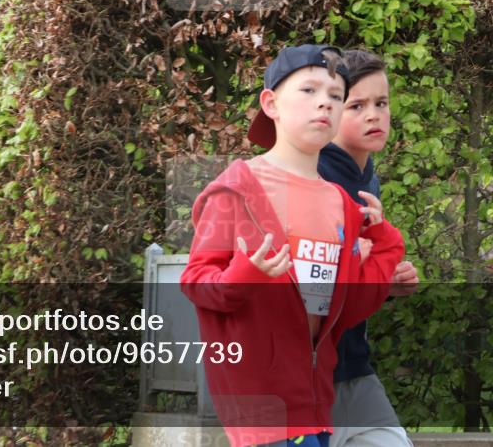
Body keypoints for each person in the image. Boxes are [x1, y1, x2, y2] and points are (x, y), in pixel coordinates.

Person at [180, 44, 405, 447]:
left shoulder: (342, 203)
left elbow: (348, 308)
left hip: (316, 402)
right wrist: (246, 273)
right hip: (260, 408)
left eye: (336, 96)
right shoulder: (236, 191)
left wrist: (385, 244)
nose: (325, 103)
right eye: (309, 91)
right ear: (271, 103)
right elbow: (196, 282)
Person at [318, 49, 419, 447]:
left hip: (354, 369)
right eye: (356, 105)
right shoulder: (315, 176)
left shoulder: (365, 175)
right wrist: (378, 276)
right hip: (309, 380)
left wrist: (387, 282)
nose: (374, 115)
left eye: (381, 103)